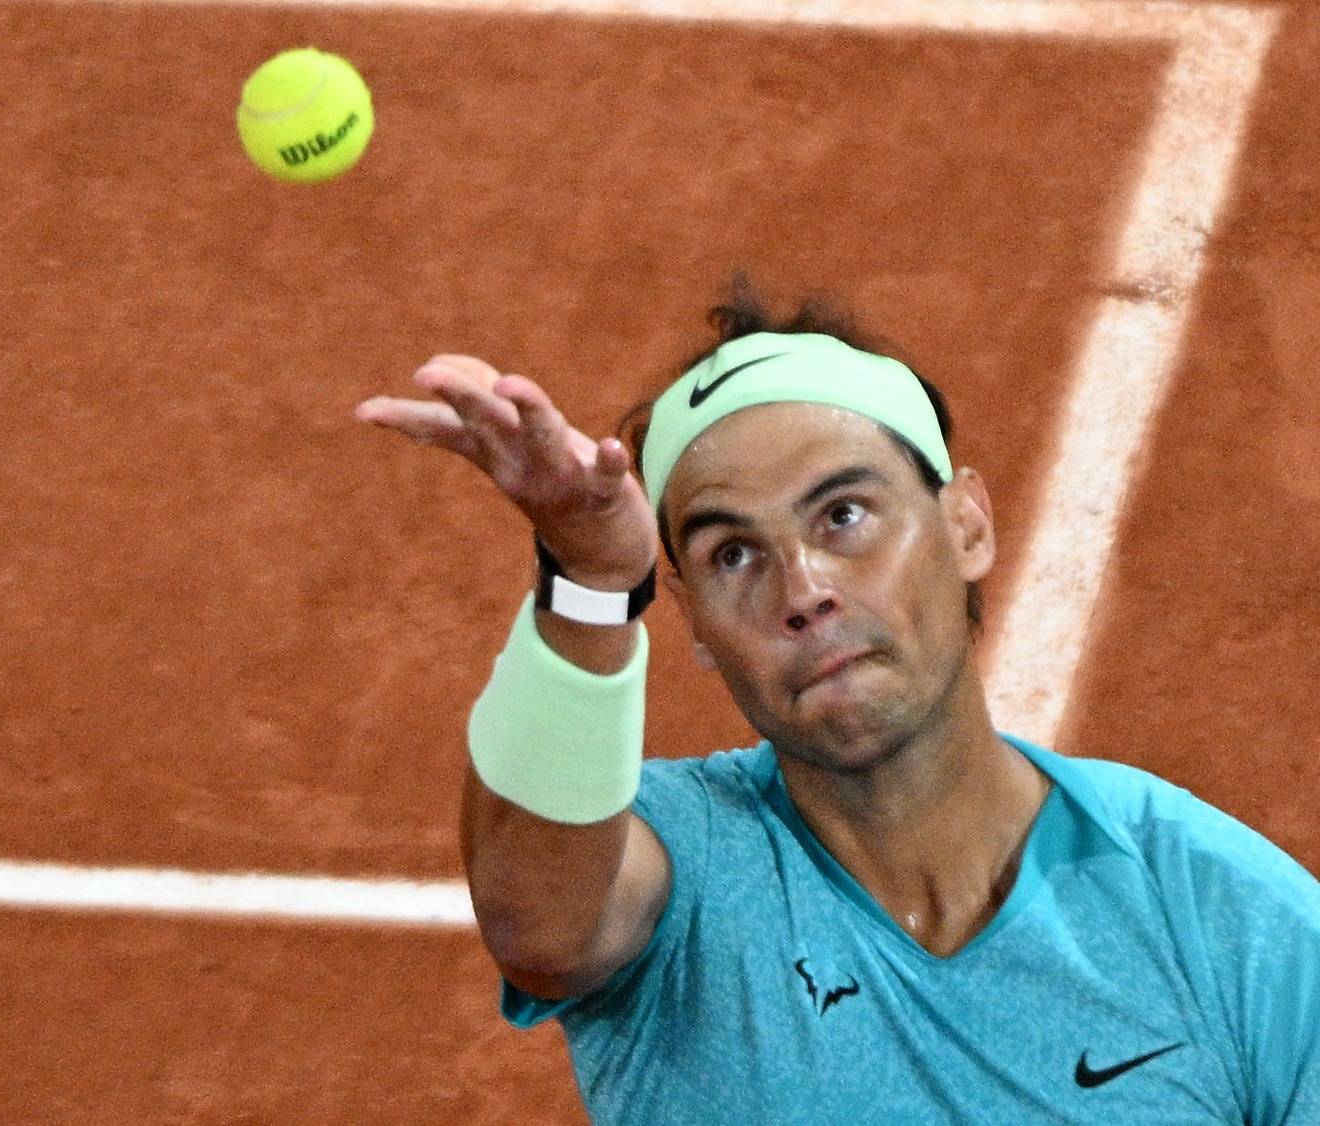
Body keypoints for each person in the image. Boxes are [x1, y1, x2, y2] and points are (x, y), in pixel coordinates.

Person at [354, 287, 1320, 1123]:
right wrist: (594, 580)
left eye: (844, 516)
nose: (802, 588)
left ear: (966, 525)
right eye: (733, 553)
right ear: (689, 620)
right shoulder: (681, 872)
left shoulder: (1220, 915)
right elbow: (539, 928)